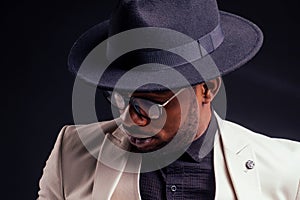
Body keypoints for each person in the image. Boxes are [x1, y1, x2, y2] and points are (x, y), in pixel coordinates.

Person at [38, 0, 300, 199]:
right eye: (118, 97)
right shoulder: (71, 153)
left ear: (207, 89)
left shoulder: (288, 170)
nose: (130, 119)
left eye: (150, 103)